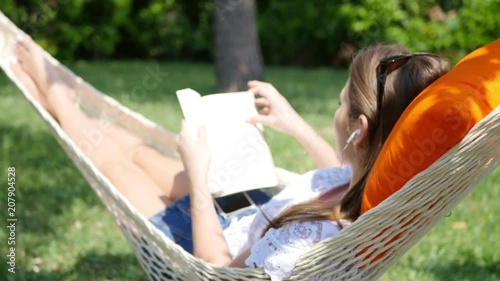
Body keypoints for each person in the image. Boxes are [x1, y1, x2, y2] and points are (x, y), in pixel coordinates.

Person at [11, 35, 449, 280]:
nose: (335, 112)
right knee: (135, 148)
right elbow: (335, 173)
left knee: (114, 162)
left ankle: (53, 92)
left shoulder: (303, 245)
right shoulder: (377, 183)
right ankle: (60, 99)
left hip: (200, 242)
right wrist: (293, 123)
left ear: (359, 130)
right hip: (244, 210)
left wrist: (199, 178)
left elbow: (214, 272)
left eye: (339, 104)